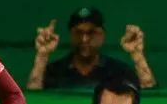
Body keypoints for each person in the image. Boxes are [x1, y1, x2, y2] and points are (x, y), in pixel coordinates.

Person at [26, 7, 156, 90]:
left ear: (102, 36)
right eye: (78, 33)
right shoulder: (54, 71)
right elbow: (33, 101)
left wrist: (137, 55)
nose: (84, 39)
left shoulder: (119, 72)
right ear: (70, 35)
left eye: (91, 33)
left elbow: (151, 99)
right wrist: (42, 56)